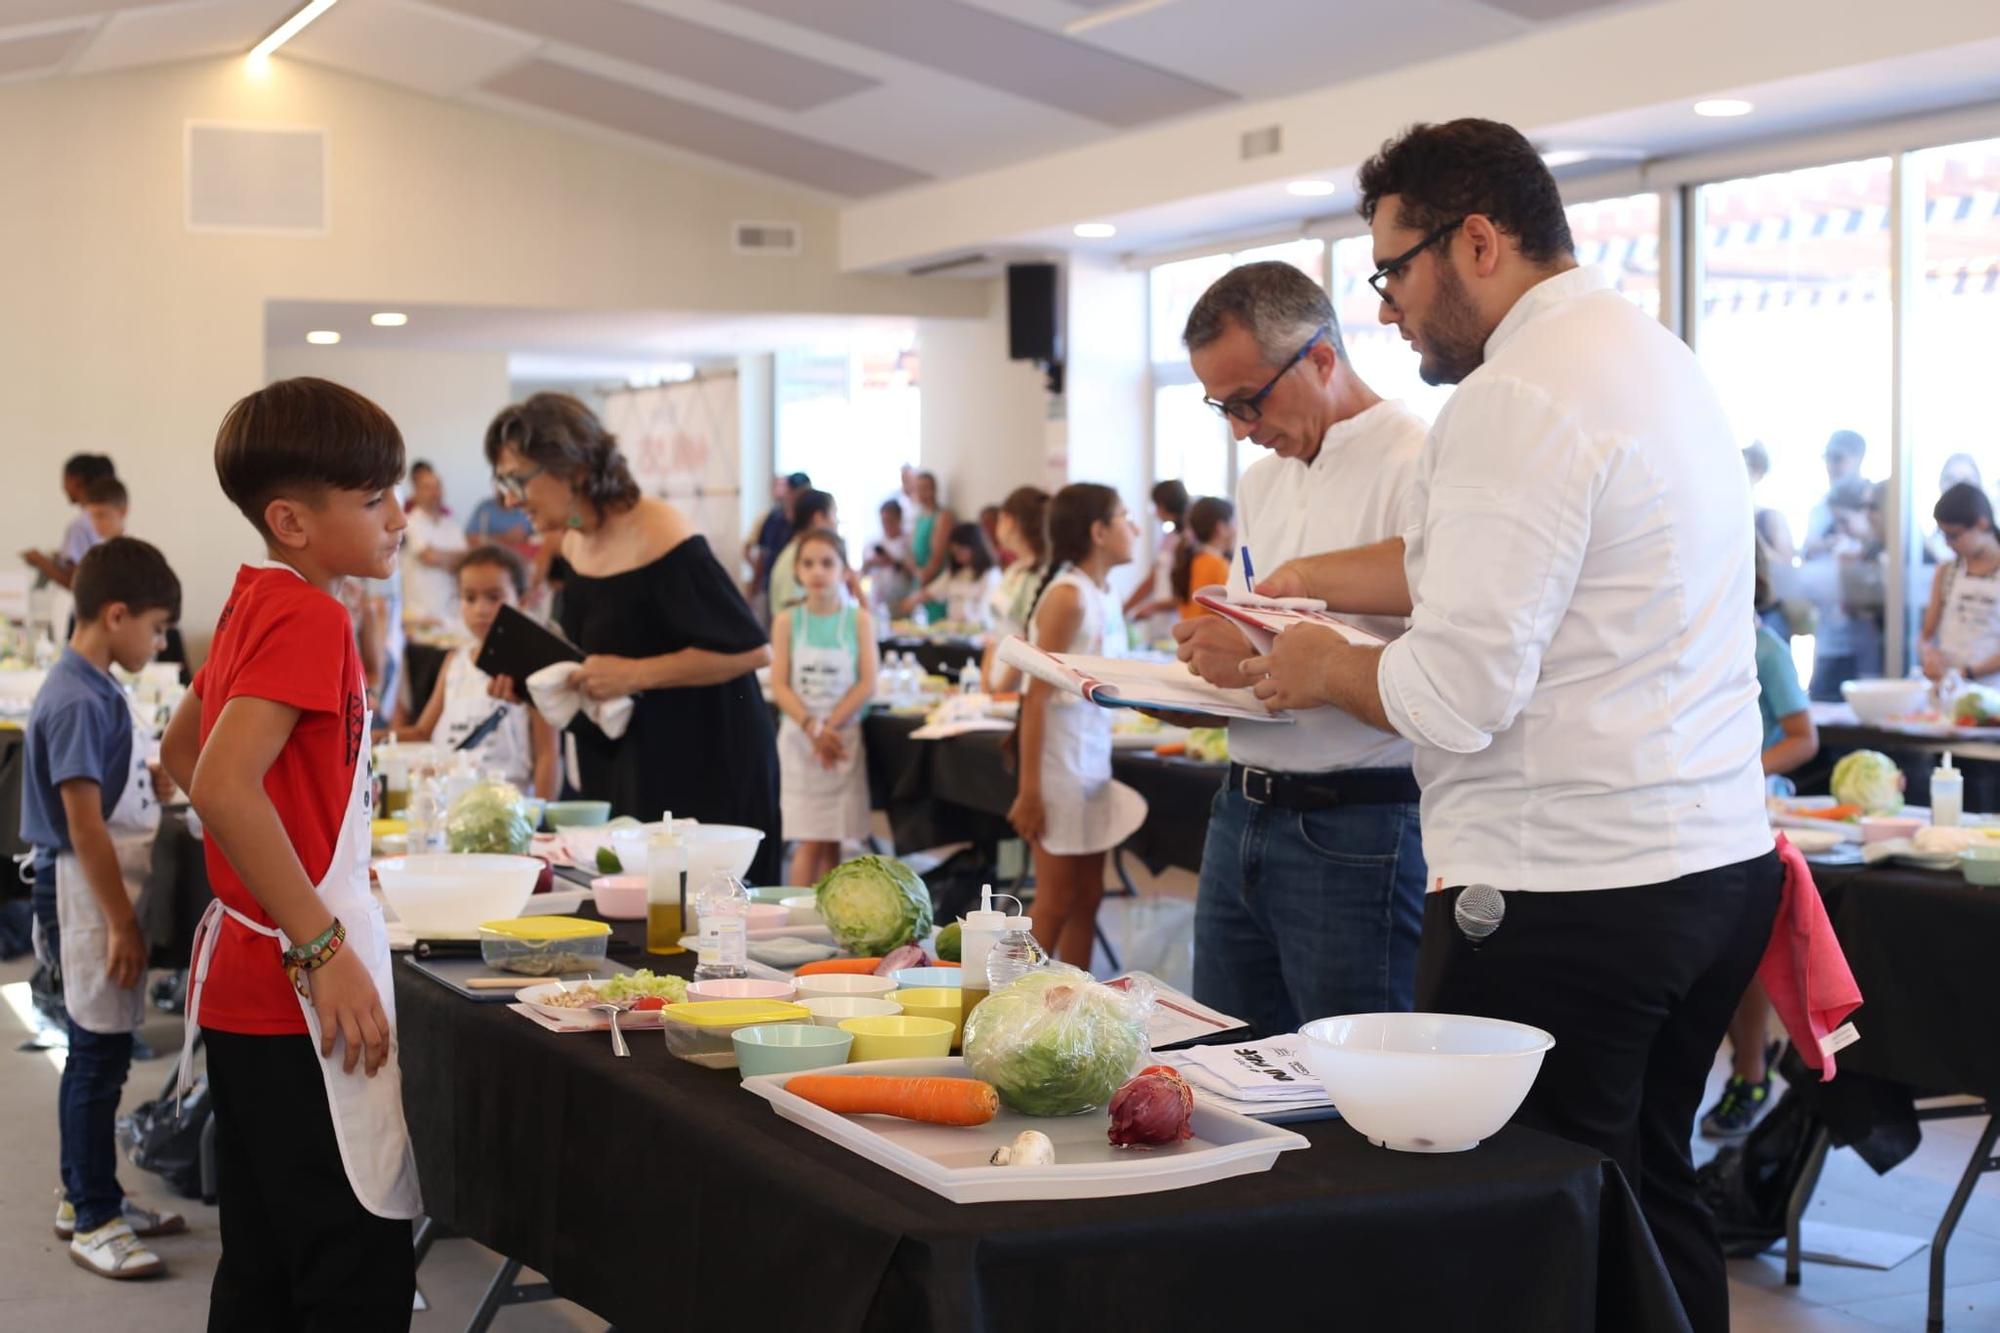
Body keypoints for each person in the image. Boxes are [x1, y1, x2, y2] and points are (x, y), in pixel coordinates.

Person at [1239, 120, 1778, 1332]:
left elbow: (1454, 691)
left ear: (1473, 241)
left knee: (1528, 1217)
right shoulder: (1641, 352)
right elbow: (1474, 567)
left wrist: (1323, 665)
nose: (1382, 309)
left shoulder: (1513, 396)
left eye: (1390, 272)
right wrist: (1310, 586)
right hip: (1707, 864)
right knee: (1645, 1190)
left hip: (1569, 890)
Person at [157, 377, 421, 1327]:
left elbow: (183, 752)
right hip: (294, 989)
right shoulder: (311, 615)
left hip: (246, 975)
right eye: (373, 498)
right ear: (291, 520)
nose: (400, 515)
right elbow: (220, 781)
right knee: (349, 1270)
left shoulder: (256, 595)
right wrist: (318, 944)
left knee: (265, 1262)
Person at [1174, 261, 1429, 1038]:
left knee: (1360, 1089)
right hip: (1241, 803)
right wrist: (1226, 650)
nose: (1242, 427)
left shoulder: (1419, 460)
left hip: (1360, 820)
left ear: (1322, 357)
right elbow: (1268, 624)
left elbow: (1453, 649)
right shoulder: (1261, 482)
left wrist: (1297, 650)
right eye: (1222, 406)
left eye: (1250, 400)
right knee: (1221, 1065)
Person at [481, 393, 782, 884]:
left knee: (701, 918)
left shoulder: (659, 531)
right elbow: (599, 658)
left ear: (572, 467)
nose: (510, 499)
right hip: (635, 754)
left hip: (706, 755)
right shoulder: (574, 540)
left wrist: (635, 674)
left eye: (517, 480)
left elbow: (751, 648)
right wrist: (535, 681)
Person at [22, 537, 186, 1278]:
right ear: (115, 614)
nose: (158, 641)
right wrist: (123, 921)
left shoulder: (93, 683)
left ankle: (88, 1192)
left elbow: (114, 788)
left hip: (101, 887)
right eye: (155, 628)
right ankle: (93, 1216)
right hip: (86, 895)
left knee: (102, 1051)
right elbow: (84, 822)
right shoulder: (78, 697)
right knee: (96, 1055)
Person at [1701, 549, 1819, 1140]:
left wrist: (1743, 769)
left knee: (1742, 955)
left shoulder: (1764, 648)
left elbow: (1804, 736)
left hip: (1753, 816)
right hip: (1704, 818)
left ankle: (1750, 1072)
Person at [1007, 484, 1148, 967]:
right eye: (1125, 517)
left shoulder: (1103, 593)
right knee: (1056, 898)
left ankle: (1074, 1004)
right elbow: (1036, 699)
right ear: (1098, 532)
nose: (1136, 528)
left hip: (1091, 759)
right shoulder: (1068, 597)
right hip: (1058, 767)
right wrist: (1029, 792)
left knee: (1089, 894)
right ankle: (1013, 1010)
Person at [393, 547, 559, 798]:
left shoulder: (532, 667)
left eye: (494, 598)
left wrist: (541, 819)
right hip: (449, 802)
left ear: (522, 600)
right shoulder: (454, 661)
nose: (481, 609)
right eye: (470, 598)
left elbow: (547, 753)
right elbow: (422, 732)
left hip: (508, 805)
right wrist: (372, 737)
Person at [772, 530, 879, 886]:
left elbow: (867, 682)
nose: (817, 571)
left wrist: (830, 727)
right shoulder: (788, 621)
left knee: (835, 835)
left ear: (845, 571)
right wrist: (813, 729)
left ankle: (830, 921)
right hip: (802, 742)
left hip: (842, 738)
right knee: (811, 837)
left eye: (827, 563)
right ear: (797, 571)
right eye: (808, 563)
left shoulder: (858, 620)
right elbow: (780, 684)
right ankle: (800, 923)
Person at [1806, 476, 1886, 700]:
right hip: (1834, 646)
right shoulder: (1847, 551)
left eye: (1844, 520)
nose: (1840, 529)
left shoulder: (1876, 555)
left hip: (1862, 655)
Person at [1919, 482, 2000, 689]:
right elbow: (1926, 635)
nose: (1948, 543)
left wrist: (1969, 673)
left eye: (1953, 535)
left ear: (1982, 524)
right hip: (1949, 691)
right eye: (1943, 535)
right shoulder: (1947, 572)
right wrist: (1929, 655)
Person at [981, 486, 1051, 693]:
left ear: (1011, 521)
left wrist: (1002, 687)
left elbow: (1028, 640)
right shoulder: (1015, 569)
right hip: (997, 677)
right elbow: (996, 632)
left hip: (1015, 686)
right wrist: (986, 678)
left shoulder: (1038, 576)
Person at [21, 452, 115, 590]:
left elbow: (75, 582)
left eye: (65, 480)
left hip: (88, 608)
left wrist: (40, 561)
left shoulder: (80, 526)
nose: (64, 487)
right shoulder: (111, 520)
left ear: (75, 480)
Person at [400, 460, 468, 634]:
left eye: (437, 486)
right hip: (421, 614)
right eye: (427, 487)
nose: (433, 492)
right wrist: (453, 559)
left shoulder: (452, 525)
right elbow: (428, 556)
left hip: (452, 613)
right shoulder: (409, 522)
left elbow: (466, 561)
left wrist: (440, 556)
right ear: (416, 492)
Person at [770, 489, 859, 616]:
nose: (837, 521)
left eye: (827, 564)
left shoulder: (802, 553)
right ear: (818, 518)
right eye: (834, 513)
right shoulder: (795, 556)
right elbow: (790, 611)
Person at [1122, 480, 1189, 640]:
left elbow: (1187, 592)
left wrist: (1153, 606)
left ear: (1162, 505)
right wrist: (1124, 609)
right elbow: (1152, 579)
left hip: (1181, 620)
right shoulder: (1168, 537)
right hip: (1163, 623)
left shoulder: (1189, 541)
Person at [902, 521, 999, 628]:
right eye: (955, 553)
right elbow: (932, 591)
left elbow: (986, 611)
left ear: (975, 548)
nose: (957, 557)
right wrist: (912, 601)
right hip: (954, 632)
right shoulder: (955, 572)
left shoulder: (991, 574)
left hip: (979, 633)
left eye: (961, 552)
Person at [745, 472, 809, 617]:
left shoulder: (804, 528)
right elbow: (760, 552)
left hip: (801, 589)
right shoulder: (773, 518)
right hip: (775, 585)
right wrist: (754, 586)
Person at [1803, 430, 1867, 560]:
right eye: (1827, 458)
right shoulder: (1821, 507)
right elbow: (1806, 551)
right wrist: (1827, 543)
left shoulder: (1875, 502)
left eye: (1838, 458)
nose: (1830, 466)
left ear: (1859, 458)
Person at [1171, 496, 1236, 622]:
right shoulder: (1218, 565)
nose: (1236, 529)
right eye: (1234, 523)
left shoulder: (1195, 559)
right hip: (1208, 638)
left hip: (1190, 636)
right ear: (1221, 527)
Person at [908, 470, 957, 621]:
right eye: (918, 488)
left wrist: (924, 577)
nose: (921, 493)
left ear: (934, 490)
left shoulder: (943, 516)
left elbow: (937, 557)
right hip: (919, 581)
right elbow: (911, 552)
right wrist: (916, 572)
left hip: (935, 584)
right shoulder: (919, 517)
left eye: (925, 488)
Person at [1925, 454, 1987, 565]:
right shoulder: (1926, 547)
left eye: (1966, 480)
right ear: (1940, 484)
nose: (1957, 487)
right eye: (1950, 479)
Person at [863, 498, 918, 620]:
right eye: (884, 521)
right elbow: (863, 572)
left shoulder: (910, 541)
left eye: (890, 521)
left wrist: (893, 561)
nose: (887, 525)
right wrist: (873, 563)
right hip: (877, 601)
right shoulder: (873, 542)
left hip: (902, 600)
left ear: (899, 519)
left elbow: (916, 572)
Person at [82, 476, 129, 543]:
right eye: (92, 516)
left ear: (123, 511)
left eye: (101, 515)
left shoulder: (136, 552)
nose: (96, 522)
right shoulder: (92, 550)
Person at [978, 504, 1012, 570]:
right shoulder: (984, 545)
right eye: (982, 523)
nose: (984, 527)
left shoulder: (1009, 547)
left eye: (988, 522)